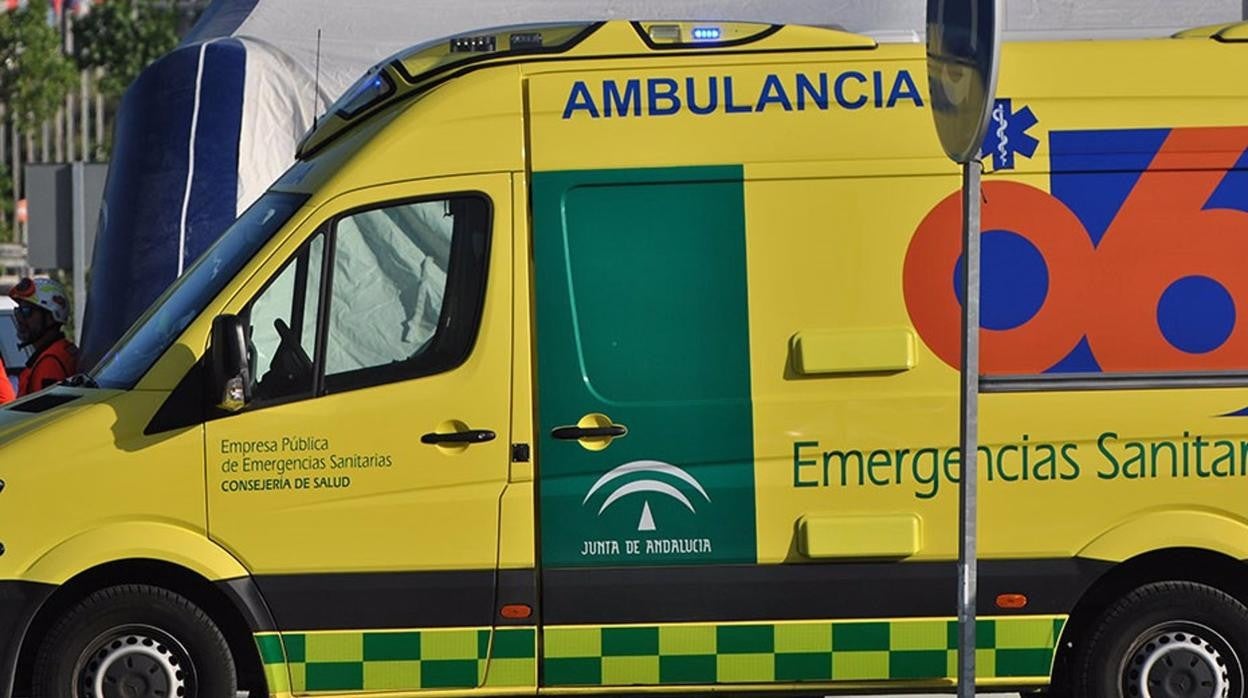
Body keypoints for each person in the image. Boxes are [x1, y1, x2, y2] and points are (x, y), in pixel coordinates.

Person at [9, 276, 78, 397]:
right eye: (18, 311)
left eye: (26, 311)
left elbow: (48, 413)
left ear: (51, 317)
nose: (20, 318)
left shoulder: (50, 364)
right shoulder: (60, 352)